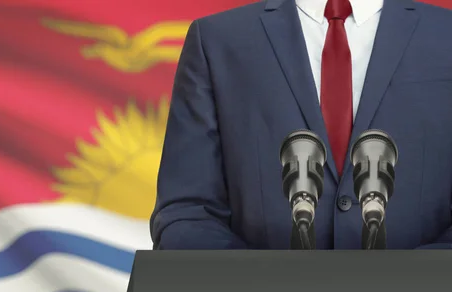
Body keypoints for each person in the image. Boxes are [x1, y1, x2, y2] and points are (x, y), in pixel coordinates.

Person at [150, 0, 452, 250]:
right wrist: (268, 291)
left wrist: (410, 286)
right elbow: (187, 213)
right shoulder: (218, 41)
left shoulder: (445, 36)